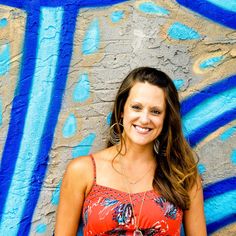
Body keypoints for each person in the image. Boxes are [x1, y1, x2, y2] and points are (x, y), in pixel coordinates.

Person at [55, 67, 207, 235]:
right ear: (121, 111)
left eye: (155, 111)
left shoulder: (183, 176)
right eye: (136, 107)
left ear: (166, 118)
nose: (144, 119)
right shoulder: (83, 171)